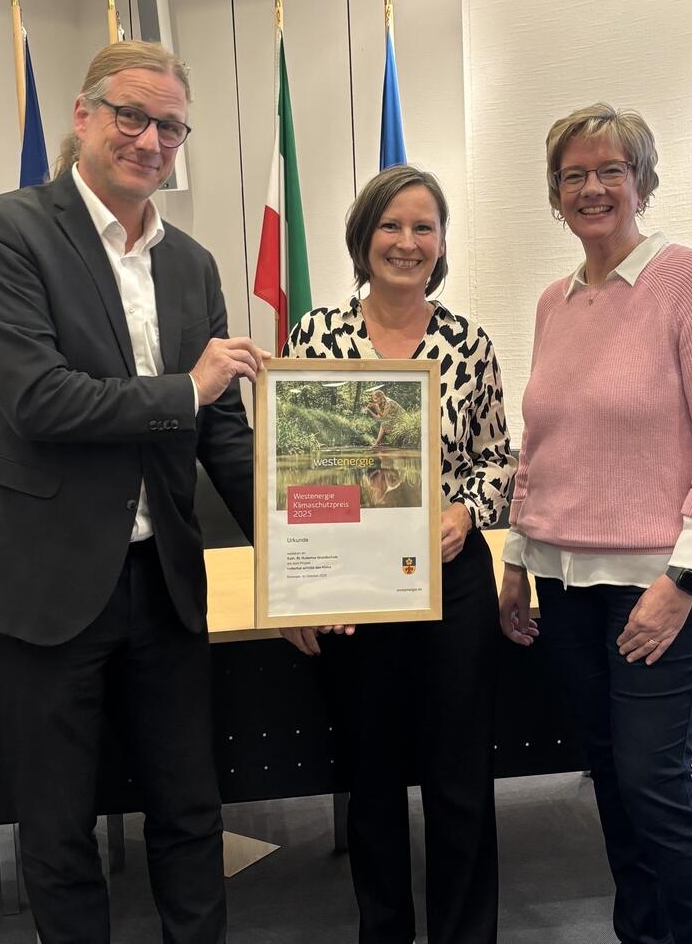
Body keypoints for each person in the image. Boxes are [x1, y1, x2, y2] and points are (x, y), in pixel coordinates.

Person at [0, 41, 263, 944]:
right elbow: (39, 399)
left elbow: (222, 436)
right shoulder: (3, 230)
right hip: (41, 586)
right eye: (131, 114)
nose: (150, 138)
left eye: (170, 125)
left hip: (160, 581)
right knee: (58, 831)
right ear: (82, 117)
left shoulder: (192, 264)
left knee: (191, 811)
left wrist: (303, 560)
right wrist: (187, 388)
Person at [498, 104, 692, 944]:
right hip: (568, 585)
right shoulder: (555, 300)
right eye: (573, 175)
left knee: (654, 778)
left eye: (611, 170)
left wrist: (684, 580)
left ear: (642, 181)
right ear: (554, 194)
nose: (592, 188)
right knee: (612, 776)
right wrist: (517, 556)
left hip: (661, 582)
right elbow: (541, 445)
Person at [280, 165, 514, 944]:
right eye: (392, 225)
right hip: (354, 584)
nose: (407, 242)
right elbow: (293, 471)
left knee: (458, 778)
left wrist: (463, 510)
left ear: (441, 244)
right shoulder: (316, 336)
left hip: (451, 582)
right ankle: (383, 930)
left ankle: (463, 935)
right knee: (370, 776)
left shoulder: (469, 343)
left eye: (424, 228)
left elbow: (494, 461)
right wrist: (298, 593)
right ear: (363, 236)